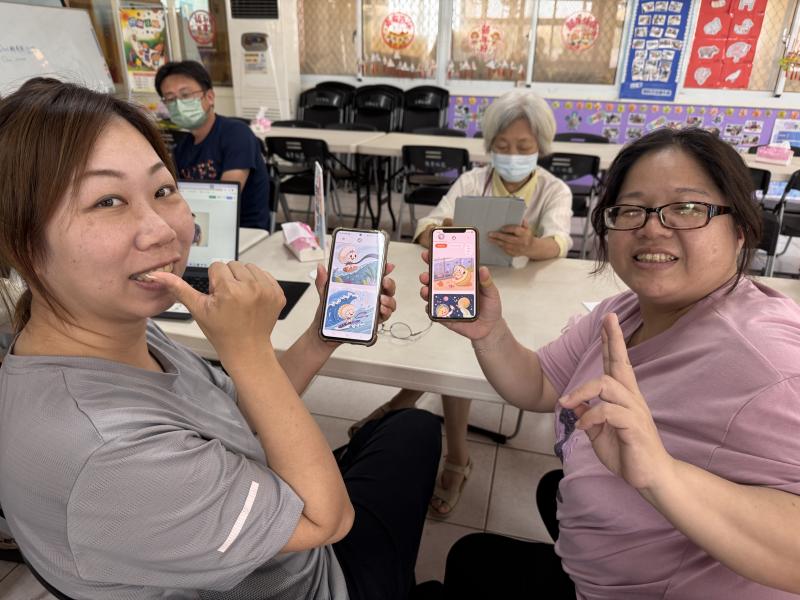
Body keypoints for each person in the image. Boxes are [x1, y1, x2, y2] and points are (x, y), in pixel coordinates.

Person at [0, 78, 441, 600]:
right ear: (20, 241)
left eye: (163, 190)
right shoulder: (106, 453)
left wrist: (322, 334)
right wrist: (248, 349)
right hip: (318, 581)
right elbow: (327, 520)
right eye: (108, 200)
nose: (164, 231)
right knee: (411, 441)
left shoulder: (117, 328)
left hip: (268, 511)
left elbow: (238, 410)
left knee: (410, 428)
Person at [424, 127, 800, 598]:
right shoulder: (624, 310)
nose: (652, 227)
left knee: (467, 561)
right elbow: (540, 385)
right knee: (544, 496)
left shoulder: (772, 362)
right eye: (631, 209)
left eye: (686, 207)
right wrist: (491, 333)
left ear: (741, 229)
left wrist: (663, 475)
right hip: (602, 553)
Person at [349, 89, 573, 517]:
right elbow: (426, 224)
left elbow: (560, 243)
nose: (512, 155)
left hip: (524, 296)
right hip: (465, 280)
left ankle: (431, 436)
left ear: (541, 147)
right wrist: (439, 234)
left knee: (463, 348)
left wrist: (534, 244)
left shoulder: (553, 189)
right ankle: (436, 439)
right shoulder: (473, 181)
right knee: (449, 342)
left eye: (524, 148)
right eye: (503, 147)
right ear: (489, 146)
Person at [155, 60, 271, 231]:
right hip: (201, 229)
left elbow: (225, 202)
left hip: (244, 231)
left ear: (209, 97)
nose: (178, 104)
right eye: (170, 99)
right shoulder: (181, 148)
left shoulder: (237, 134)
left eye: (185, 95)